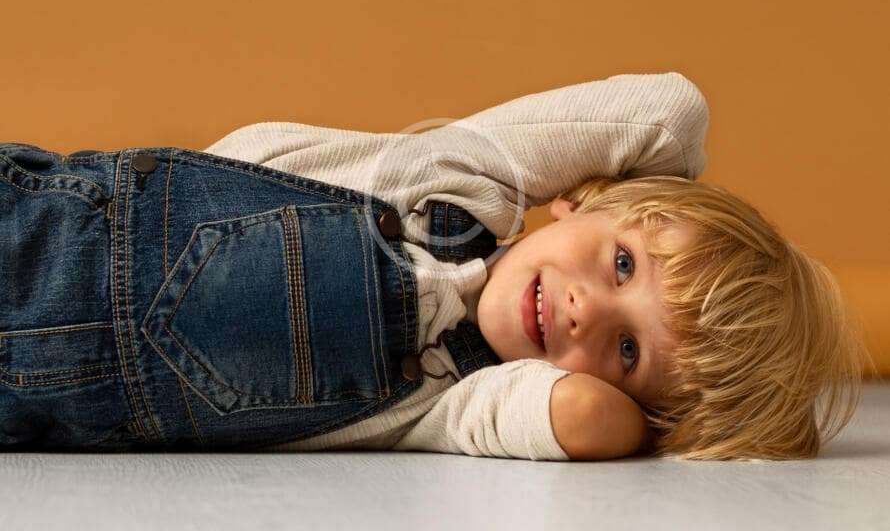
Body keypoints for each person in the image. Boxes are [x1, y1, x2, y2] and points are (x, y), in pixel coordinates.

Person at [0, 72, 868, 460]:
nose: (585, 311)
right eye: (619, 265)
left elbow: (580, 420)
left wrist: (660, 420)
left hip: (34, 405)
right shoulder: (462, 181)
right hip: (36, 227)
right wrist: (642, 206)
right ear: (579, 197)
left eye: (628, 351)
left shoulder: (457, 403)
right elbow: (670, 110)